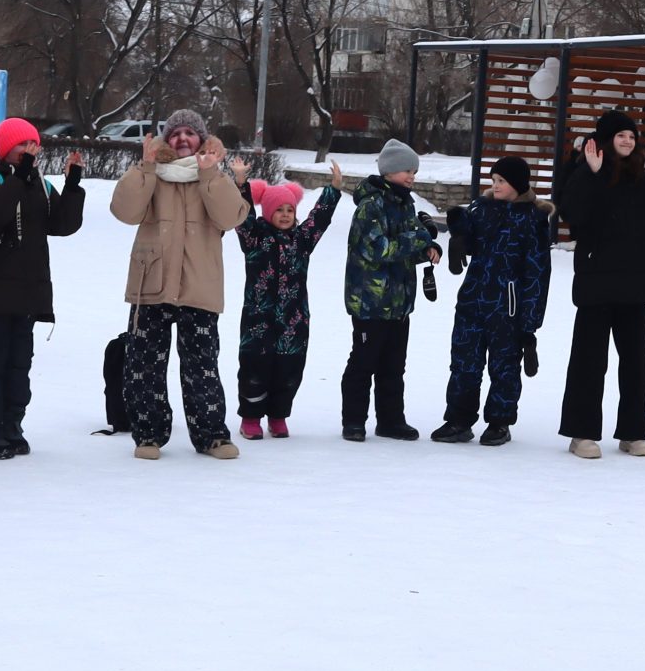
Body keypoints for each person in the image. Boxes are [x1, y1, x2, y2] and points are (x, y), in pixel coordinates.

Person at [109, 108, 250, 459]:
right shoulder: (151, 171)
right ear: (166, 140)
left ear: (202, 140)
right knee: (144, 367)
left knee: (202, 368)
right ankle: (149, 436)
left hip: (199, 287)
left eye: (190, 133)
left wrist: (210, 175)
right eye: (176, 133)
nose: (183, 138)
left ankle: (212, 436)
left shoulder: (213, 176)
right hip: (151, 284)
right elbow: (124, 211)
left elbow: (232, 216)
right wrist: (146, 167)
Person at [554, 109, 645, 458]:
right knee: (589, 362)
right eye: (620, 135)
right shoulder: (584, 172)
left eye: (631, 136)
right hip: (595, 282)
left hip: (634, 284)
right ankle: (581, 433)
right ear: (604, 140)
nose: (628, 141)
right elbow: (573, 214)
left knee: (634, 362)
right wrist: (591, 173)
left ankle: (632, 432)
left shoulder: (644, 180)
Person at [0, 119, 86, 459]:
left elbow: (63, 224)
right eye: (23, 146)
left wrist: (72, 181)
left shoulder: (40, 185)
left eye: (34, 144)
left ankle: (11, 426)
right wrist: (21, 175)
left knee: (20, 363)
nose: (31, 151)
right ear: (6, 150)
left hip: (28, 292)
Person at [431, 155, 552, 446]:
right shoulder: (482, 210)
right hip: (473, 300)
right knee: (464, 362)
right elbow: (470, 238)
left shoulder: (532, 219)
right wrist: (459, 228)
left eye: (502, 181)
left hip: (507, 307)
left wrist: (530, 323)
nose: (495, 186)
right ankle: (459, 419)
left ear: (518, 185)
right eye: (494, 180)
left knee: (504, 366)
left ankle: (499, 422)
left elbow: (537, 272)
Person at [340, 139, 440, 444]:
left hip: (398, 303)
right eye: (407, 170)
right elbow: (379, 249)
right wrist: (421, 237)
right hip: (370, 302)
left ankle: (391, 420)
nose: (412, 176)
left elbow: (405, 248)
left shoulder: (404, 203)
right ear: (389, 172)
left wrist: (428, 251)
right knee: (363, 363)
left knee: (394, 366)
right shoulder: (371, 206)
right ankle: (354, 421)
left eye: (414, 171)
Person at [233, 163, 344, 439]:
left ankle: (278, 415)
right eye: (278, 210)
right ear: (268, 212)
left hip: (293, 319)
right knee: (254, 368)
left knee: (289, 368)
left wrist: (333, 190)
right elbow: (243, 214)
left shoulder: (301, 239)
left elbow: (319, 219)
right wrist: (240, 183)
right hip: (259, 320)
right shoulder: (255, 237)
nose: (284, 215)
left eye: (289, 210)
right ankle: (250, 417)